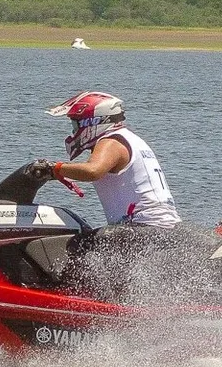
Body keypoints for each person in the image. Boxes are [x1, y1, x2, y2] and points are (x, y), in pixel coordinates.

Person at [37, 91, 194, 294]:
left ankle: (68, 301)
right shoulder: (132, 139)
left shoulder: (111, 142)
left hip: (144, 226)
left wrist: (54, 168)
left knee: (77, 245)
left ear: (94, 123)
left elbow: (93, 170)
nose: (74, 131)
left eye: (76, 124)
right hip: (158, 228)